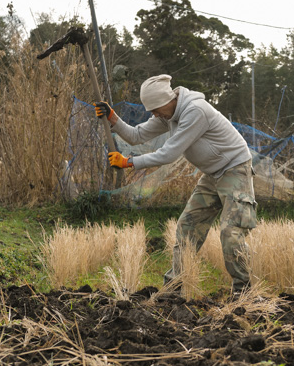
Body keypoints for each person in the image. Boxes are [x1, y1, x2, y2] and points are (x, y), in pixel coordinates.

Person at [94, 74, 257, 294]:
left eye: (155, 109)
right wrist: (114, 119)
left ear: (166, 101)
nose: (153, 114)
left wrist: (129, 162)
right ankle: (174, 289)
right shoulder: (167, 114)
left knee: (231, 233)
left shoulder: (195, 111)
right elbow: (137, 135)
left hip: (235, 169)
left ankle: (243, 292)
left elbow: (168, 153)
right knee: (187, 226)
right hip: (213, 174)